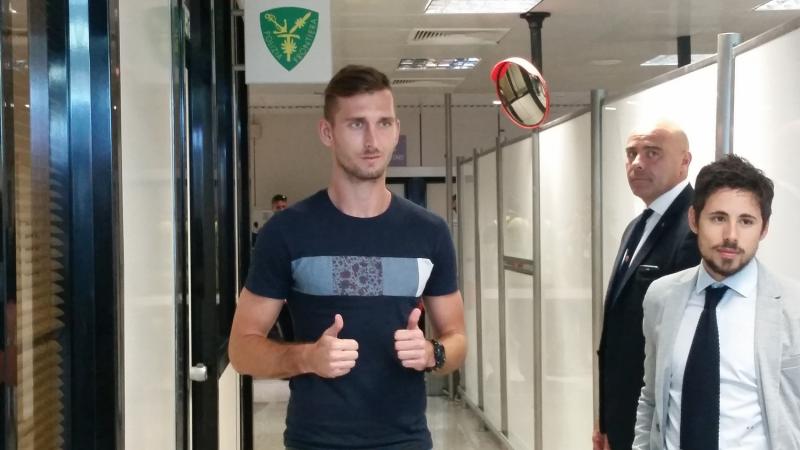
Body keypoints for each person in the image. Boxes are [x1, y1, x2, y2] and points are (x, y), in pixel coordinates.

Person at [228, 65, 466, 450]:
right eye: (356, 124)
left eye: (383, 123)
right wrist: (308, 358)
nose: (372, 140)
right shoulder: (287, 232)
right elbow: (242, 350)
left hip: (405, 441)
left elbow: (457, 340)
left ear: (396, 129)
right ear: (328, 132)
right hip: (315, 442)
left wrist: (431, 352)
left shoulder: (429, 232)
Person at [633, 155, 800, 449]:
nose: (731, 236)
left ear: (763, 229)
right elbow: (652, 398)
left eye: (746, 221)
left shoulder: (793, 306)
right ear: (694, 219)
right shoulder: (662, 297)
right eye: (718, 218)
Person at [595, 121, 701, 450]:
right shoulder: (637, 227)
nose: (638, 163)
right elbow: (618, 336)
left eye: (652, 153)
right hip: (624, 413)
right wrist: (606, 418)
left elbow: (684, 348)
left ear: (684, 161)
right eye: (632, 154)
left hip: (659, 424)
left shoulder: (694, 229)